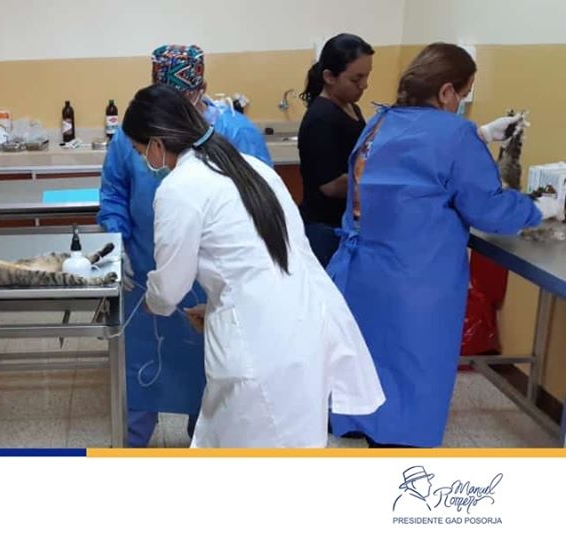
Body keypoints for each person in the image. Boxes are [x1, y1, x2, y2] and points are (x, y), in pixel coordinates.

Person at [120, 84, 385, 447]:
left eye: (140, 151)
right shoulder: (251, 167)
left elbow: (169, 289)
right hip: (302, 331)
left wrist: (153, 302)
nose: (144, 161)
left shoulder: (180, 187)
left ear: (156, 143)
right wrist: (218, 306)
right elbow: (268, 263)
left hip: (260, 354)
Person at [327, 43, 560, 448]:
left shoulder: (381, 121)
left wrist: (480, 135)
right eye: (463, 96)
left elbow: (414, 162)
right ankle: (402, 450)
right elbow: (488, 209)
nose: (461, 105)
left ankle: (361, 427)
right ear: (447, 91)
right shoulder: (454, 135)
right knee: (413, 370)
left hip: (361, 274)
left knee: (368, 364)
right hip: (417, 281)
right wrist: (543, 207)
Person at [98, 44, 272, 447]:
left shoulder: (236, 133)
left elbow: (259, 209)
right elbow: (114, 193)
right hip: (144, 271)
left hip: (212, 281)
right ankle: (130, 446)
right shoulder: (130, 136)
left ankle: (202, 444)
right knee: (140, 373)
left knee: (209, 373)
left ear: (203, 90)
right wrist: (117, 241)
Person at [298, 33, 375, 267]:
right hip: (325, 229)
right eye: (356, 78)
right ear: (329, 77)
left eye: (367, 76)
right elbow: (330, 186)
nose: (364, 85)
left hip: (344, 222)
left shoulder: (350, 107)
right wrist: (378, 179)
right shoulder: (322, 118)